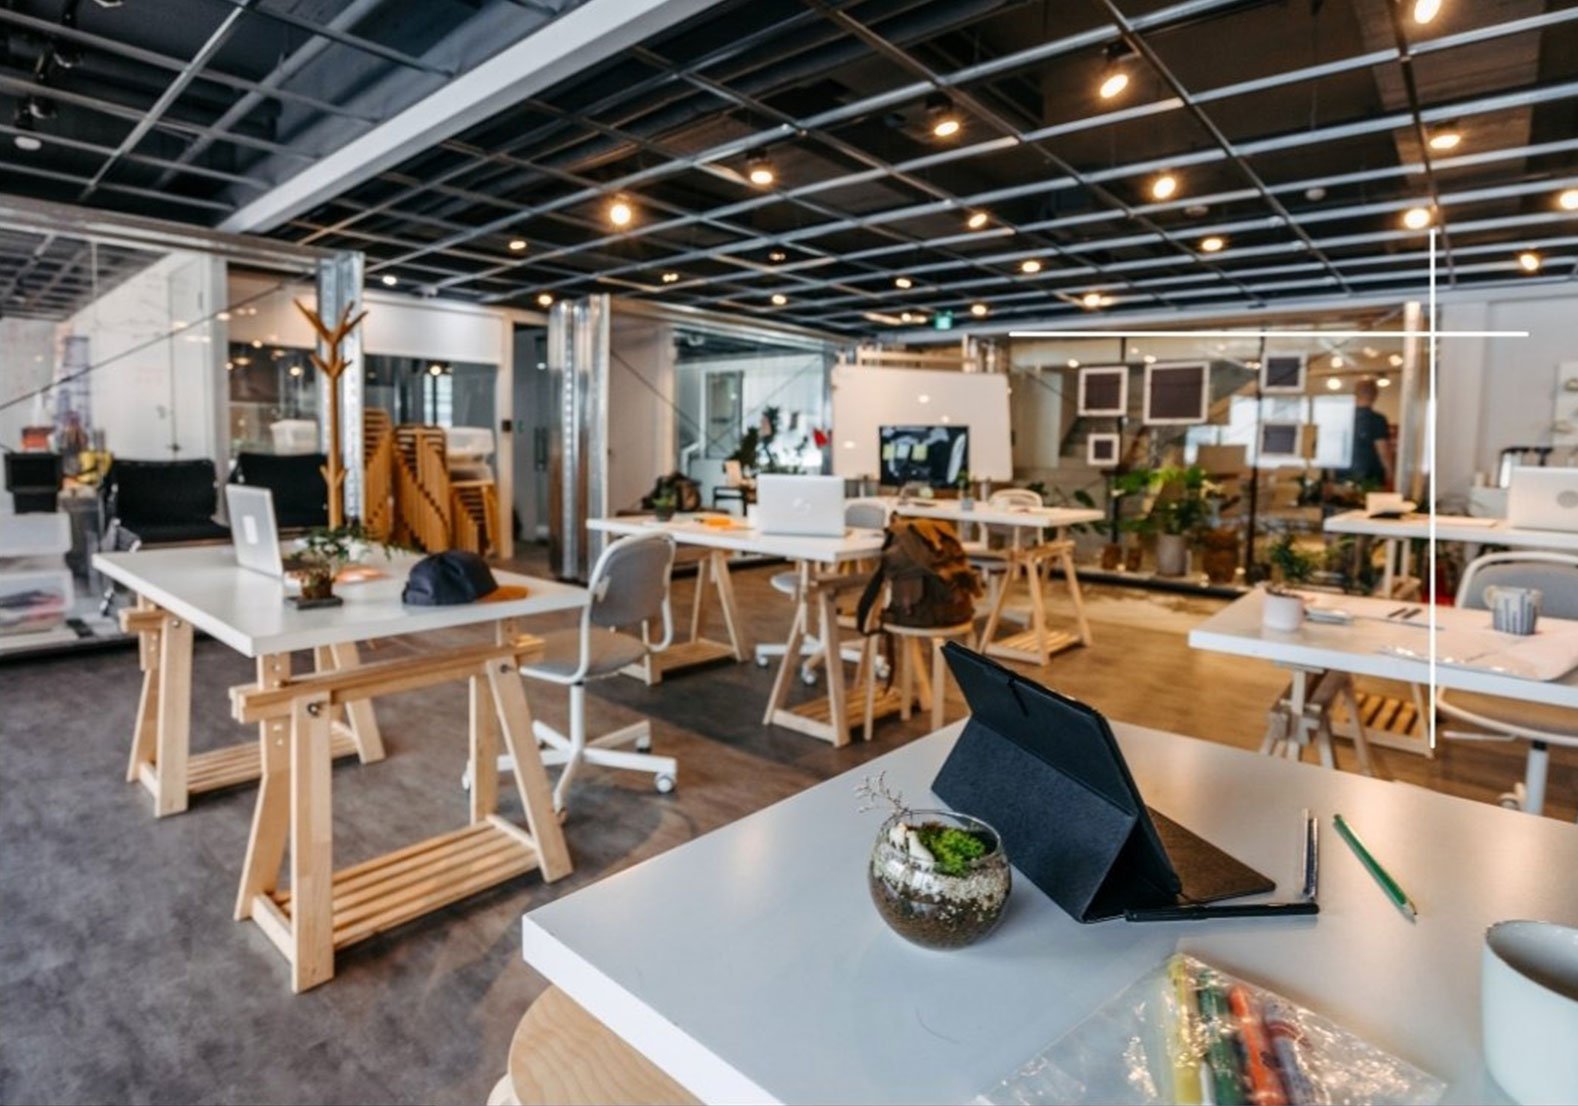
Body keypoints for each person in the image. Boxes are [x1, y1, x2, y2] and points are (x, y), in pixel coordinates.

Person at [1341, 378, 1394, 489]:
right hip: (1369, 478)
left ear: (1355, 394)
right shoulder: (1377, 420)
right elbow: (1383, 450)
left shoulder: (1342, 417)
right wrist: (1390, 472)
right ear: (1375, 396)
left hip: (1342, 475)